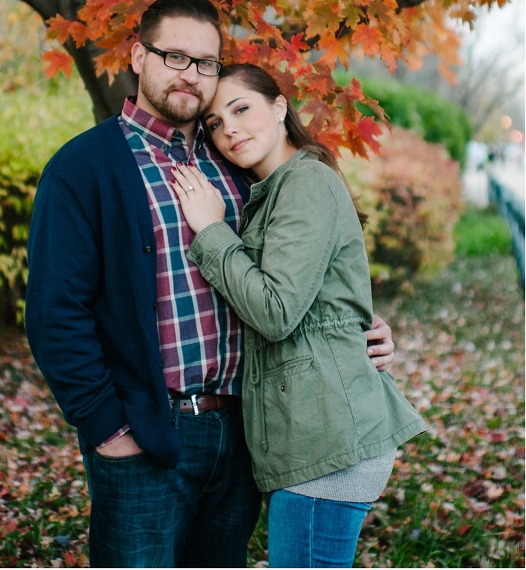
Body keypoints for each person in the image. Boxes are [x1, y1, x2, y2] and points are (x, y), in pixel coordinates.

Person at [26, 0, 397, 569]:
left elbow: (296, 275)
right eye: (173, 56)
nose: (190, 74)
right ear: (137, 56)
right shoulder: (85, 167)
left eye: (204, 62)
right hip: (148, 431)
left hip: (244, 432)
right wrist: (107, 426)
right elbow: (54, 313)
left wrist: (358, 330)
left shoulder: (236, 164)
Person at [171, 63, 426, 569]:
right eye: (216, 123)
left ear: (281, 108)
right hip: (309, 435)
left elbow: (276, 310)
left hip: (328, 440)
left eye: (241, 109)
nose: (230, 130)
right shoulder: (270, 194)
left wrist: (209, 231)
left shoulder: (304, 182)